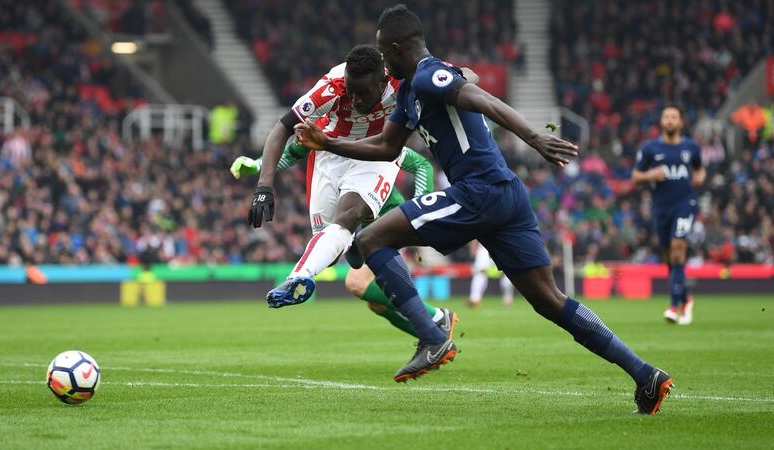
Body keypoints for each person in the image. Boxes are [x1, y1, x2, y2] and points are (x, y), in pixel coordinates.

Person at [295, 4, 672, 415]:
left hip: (480, 191)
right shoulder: (408, 92)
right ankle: (645, 374)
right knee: (550, 300)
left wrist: (533, 136)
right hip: (504, 195)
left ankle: (433, 335)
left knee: (370, 238)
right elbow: (386, 146)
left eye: (385, 54)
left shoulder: (427, 74)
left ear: (400, 47)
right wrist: (328, 143)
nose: (383, 64)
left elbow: (481, 97)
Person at [247, 44, 457, 336]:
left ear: (383, 82)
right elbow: (282, 129)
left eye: (363, 93)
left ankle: (300, 276)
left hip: (378, 152)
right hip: (329, 156)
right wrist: (264, 187)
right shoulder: (332, 88)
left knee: (350, 214)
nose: (355, 99)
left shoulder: (403, 79)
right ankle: (356, 248)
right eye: (351, 90)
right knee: (334, 252)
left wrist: (462, 82)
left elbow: (461, 77)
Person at [233, 142, 453, 338]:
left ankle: (436, 321)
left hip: (386, 219)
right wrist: (257, 165)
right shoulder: (323, 132)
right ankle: (434, 335)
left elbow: (421, 165)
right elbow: (291, 152)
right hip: (360, 225)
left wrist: (415, 209)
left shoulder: (369, 139)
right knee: (376, 303)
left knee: (356, 282)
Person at [632, 105, 706, 325]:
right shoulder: (650, 148)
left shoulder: (691, 147)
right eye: (666, 116)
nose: (670, 120)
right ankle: (686, 299)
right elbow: (635, 177)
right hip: (661, 208)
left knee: (677, 250)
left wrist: (700, 177)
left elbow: (700, 168)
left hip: (685, 204)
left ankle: (674, 307)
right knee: (668, 257)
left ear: (681, 122)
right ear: (661, 122)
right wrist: (650, 175)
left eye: (674, 116)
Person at [468, 242, 515, 308]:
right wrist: (473, 249)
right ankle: (475, 299)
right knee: (480, 272)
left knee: (508, 272)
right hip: (484, 247)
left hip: (502, 246)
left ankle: (508, 298)